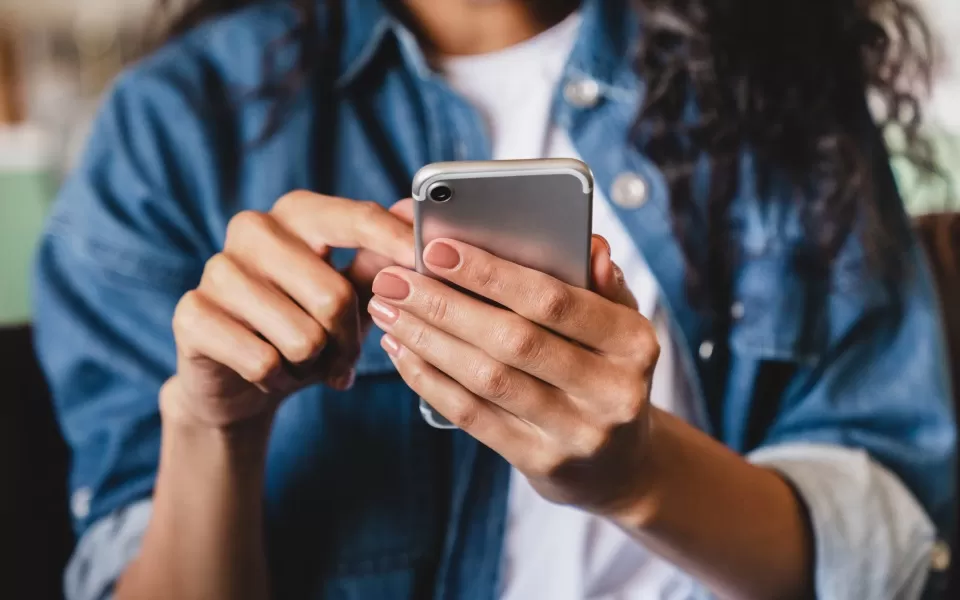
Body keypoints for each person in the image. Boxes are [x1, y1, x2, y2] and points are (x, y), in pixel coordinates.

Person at [33, 0, 956, 599]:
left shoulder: (780, 70)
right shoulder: (177, 125)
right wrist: (212, 428)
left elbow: (894, 552)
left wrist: (641, 477)